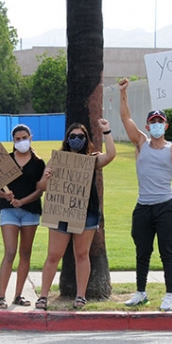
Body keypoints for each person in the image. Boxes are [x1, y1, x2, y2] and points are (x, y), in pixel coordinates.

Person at [117, 78, 172, 311]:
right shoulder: (140, 143)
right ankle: (141, 292)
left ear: (165, 126)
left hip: (165, 206)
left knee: (167, 251)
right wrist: (123, 93)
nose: (156, 125)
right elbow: (126, 118)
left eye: (159, 122)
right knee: (142, 251)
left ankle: (169, 295)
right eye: (152, 122)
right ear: (147, 126)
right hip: (143, 206)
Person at [36, 120, 116, 311]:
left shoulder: (91, 159)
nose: (76, 140)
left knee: (81, 254)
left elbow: (111, 155)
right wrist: (46, 178)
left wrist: (107, 131)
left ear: (86, 139)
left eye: (81, 137)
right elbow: (41, 187)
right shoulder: (57, 160)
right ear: (67, 139)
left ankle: (81, 296)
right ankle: (43, 296)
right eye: (73, 136)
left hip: (86, 212)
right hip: (60, 212)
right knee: (53, 255)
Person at [0, 125, 46, 309]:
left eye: (24, 137)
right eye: (17, 139)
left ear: (30, 138)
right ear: (13, 140)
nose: (21, 141)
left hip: (30, 210)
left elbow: (40, 189)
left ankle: (18, 295)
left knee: (25, 252)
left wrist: (23, 201)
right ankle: (1, 296)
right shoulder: (5, 160)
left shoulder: (39, 163)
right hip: (8, 210)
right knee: (9, 252)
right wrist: (5, 195)